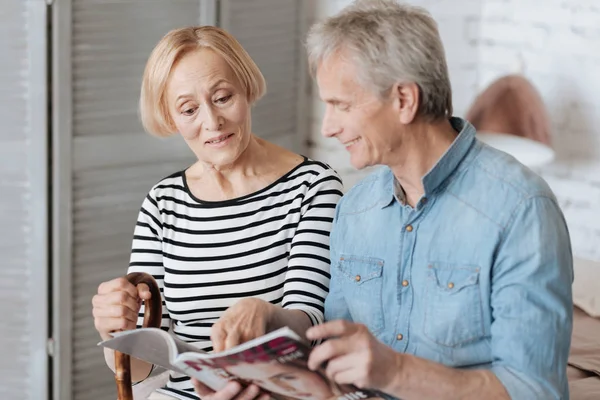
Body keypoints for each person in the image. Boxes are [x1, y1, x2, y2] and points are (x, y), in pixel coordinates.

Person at [301, 1, 573, 400]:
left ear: (404, 101)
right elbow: (338, 366)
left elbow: (536, 391)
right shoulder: (354, 209)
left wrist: (395, 372)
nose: (328, 127)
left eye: (341, 105)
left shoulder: (522, 210)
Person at [91, 25, 343, 399]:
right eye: (189, 109)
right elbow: (142, 369)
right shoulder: (163, 203)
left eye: (223, 97)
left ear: (245, 88)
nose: (212, 122)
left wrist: (266, 313)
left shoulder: (313, 186)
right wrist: (113, 330)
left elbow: (308, 324)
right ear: (170, 117)